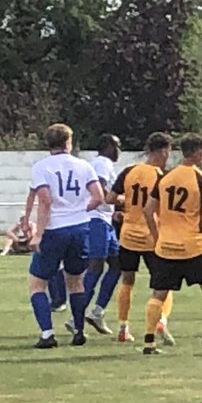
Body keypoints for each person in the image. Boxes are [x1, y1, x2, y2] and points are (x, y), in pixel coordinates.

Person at [142, 133, 202, 356]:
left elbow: (148, 210)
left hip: (166, 246)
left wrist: (157, 236)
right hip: (192, 246)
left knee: (159, 293)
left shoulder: (165, 178)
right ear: (198, 152)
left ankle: (149, 342)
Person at [24, 123, 104, 348]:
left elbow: (46, 200)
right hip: (80, 228)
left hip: (54, 229)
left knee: (37, 284)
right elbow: (98, 197)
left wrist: (38, 234)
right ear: (69, 142)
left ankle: (47, 334)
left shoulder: (42, 167)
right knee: (76, 282)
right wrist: (79, 210)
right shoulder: (84, 165)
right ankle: (78, 331)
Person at [109, 133, 172, 344]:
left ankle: (123, 326)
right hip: (152, 235)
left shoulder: (129, 171)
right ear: (162, 151)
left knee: (127, 280)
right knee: (164, 281)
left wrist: (126, 205)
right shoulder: (161, 176)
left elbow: (110, 198)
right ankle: (160, 320)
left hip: (128, 235)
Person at [79, 134, 123, 336]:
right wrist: (125, 200)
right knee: (95, 266)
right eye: (117, 146)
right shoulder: (102, 163)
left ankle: (97, 311)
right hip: (96, 220)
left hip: (104, 220)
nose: (119, 151)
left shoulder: (100, 163)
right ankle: (76, 317)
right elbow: (104, 193)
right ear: (108, 146)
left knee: (117, 264)